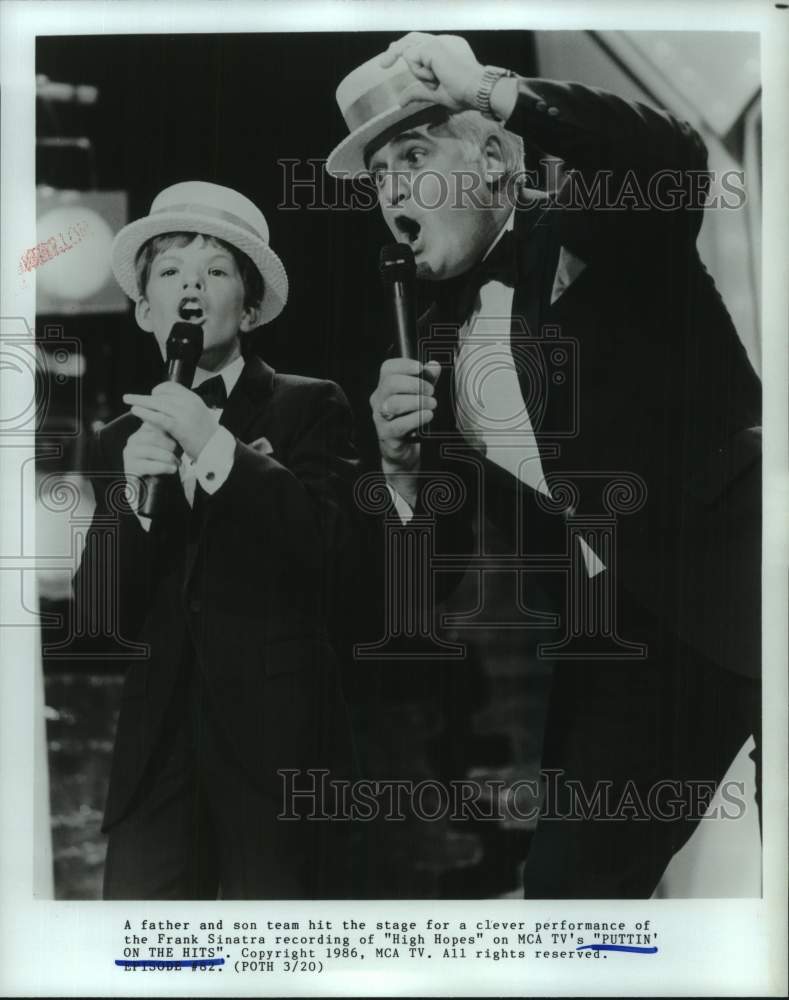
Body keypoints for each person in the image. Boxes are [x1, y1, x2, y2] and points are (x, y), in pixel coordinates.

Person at [327, 33, 762, 898]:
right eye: (378, 178)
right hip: (623, 653)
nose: (392, 192)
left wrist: (490, 88)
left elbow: (666, 155)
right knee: (568, 893)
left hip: (751, 587)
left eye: (413, 156)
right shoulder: (425, 347)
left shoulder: (594, 229)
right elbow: (434, 575)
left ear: (493, 162)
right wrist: (401, 475)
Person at [75, 181, 358, 899]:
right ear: (144, 310)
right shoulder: (118, 438)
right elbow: (100, 619)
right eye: (170, 272)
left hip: (277, 756)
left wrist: (215, 447)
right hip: (156, 761)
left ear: (252, 303)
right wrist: (132, 508)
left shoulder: (308, 404)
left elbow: (326, 555)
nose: (191, 288)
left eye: (216, 271)